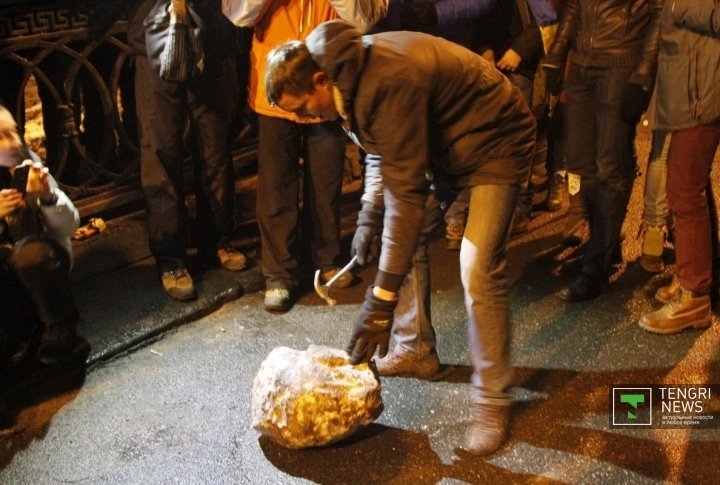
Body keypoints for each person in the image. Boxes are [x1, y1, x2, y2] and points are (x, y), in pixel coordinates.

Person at [265, 20, 536, 455]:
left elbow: (407, 196)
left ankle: (491, 398)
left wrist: (381, 300)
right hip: (446, 143)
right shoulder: (343, 75)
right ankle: (415, 349)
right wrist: (370, 214)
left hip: (495, 141)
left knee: (477, 265)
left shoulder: (386, 79)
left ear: (320, 79)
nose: (304, 119)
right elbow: (378, 148)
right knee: (398, 238)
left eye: (304, 108)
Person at [236, 0, 387, 312]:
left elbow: (364, 21)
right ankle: (279, 274)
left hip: (324, 84)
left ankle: (326, 260)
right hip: (277, 87)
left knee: (326, 181)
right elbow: (238, 15)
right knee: (276, 186)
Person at [127, 0, 248, 302]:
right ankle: (171, 258)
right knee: (161, 151)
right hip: (156, 31)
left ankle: (217, 239)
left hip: (211, 35)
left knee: (215, 147)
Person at [542, 0, 662, 301]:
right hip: (583, 64)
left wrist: (645, 70)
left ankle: (596, 266)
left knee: (611, 165)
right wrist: (558, 50)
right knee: (583, 164)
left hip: (621, 63)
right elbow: (573, 5)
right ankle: (603, 246)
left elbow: (660, 12)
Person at [638, 0, 720, 335]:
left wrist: (679, 6)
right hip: (688, 86)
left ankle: (695, 297)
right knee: (691, 188)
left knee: (685, 193)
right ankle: (699, 274)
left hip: (700, 91)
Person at [0, 105, 86, 365]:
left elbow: (69, 227)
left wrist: (48, 197)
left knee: (32, 254)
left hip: (40, 263)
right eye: (2, 136)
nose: (15, 142)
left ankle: (59, 330)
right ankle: (17, 334)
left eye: (14, 131)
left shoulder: (27, 164)